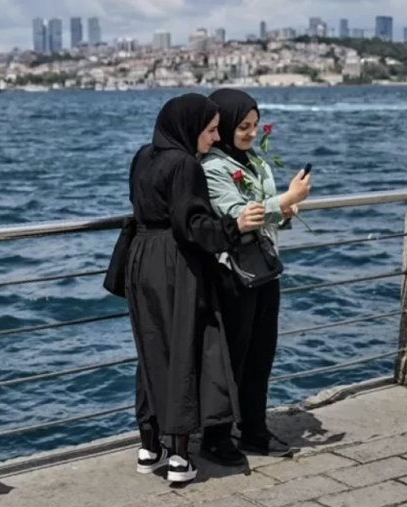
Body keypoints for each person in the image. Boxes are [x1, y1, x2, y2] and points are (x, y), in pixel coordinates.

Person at [125, 93, 266, 483]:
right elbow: (193, 226)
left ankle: (148, 446)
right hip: (174, 262)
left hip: (140, 259)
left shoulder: (142, 156)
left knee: (151, 348)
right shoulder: (186, 164)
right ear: (189, 129)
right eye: (210, 130)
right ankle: (179, 458)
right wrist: (234, 227)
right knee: (183, 349)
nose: (214, 138)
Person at [199, 88, 311, 465]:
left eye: (253, 125)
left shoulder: (256, 162)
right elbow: (237, 213)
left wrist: (286, 209)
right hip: (232, 273)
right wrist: (285, 200)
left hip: (265, 269)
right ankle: (215, 435)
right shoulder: (212, 168)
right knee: (232, 355)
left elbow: (266, 214)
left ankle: (253, 428)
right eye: (242, 126)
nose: (248, 132)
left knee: (262, 353)